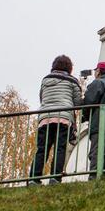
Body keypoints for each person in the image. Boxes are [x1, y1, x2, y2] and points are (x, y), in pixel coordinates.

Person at [29, 55, 83, 184]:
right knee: (60, 148)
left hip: (45, 118)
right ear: (69, 67)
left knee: (42, 148)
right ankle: (55, 177)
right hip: (63, 118)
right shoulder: (72, 81)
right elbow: (77, 103)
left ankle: (34, 178)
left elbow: (42, 98)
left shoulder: (45, 80)